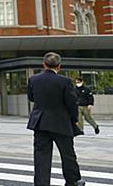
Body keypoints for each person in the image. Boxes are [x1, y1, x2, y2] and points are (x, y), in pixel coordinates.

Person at [27, 52, 85, 186]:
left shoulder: (34, 79)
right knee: (68, 154)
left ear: (44, 64)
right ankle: (73, 181)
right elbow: (71, 103)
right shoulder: (65, 81)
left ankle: (41, 183)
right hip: (61, 122)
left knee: (41, 156)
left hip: (40, 122)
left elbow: (31, 97)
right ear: (59, 66)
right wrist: (75, 118)